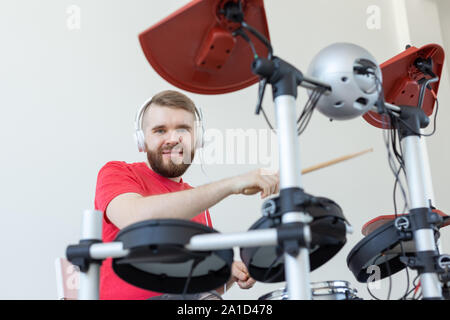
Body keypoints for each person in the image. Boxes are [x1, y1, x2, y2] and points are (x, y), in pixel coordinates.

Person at [95, 90, 280, 300]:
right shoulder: (118, 173)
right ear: (142, 140)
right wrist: (233, 183)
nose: (172, 139)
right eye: (160, 130)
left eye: (182, 129)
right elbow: (137, 220)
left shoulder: (197, 201)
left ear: (197, 139)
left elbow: (197, 289)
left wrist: (229, 277)